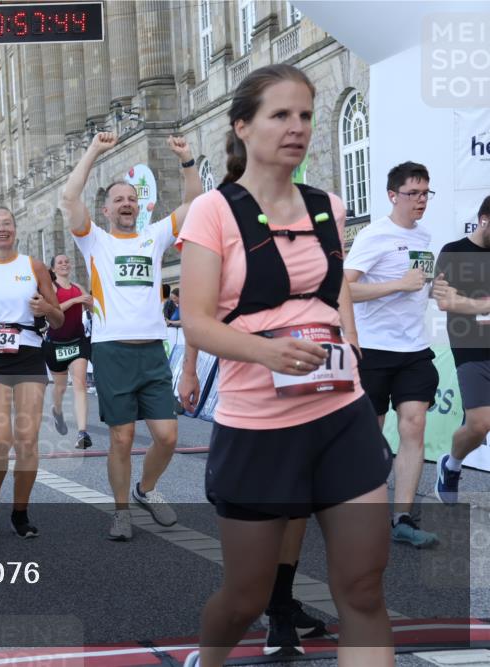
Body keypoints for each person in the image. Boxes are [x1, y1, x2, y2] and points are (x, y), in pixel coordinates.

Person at [176, 64, 393, 667]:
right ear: (243, 126)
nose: (296, 128)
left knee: (363, 587)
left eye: (304, 115)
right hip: (258, 427)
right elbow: (195, 321)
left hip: (339, 410)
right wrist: (269, 350)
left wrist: (348, 344)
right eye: (280, 115)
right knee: (245, 597)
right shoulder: (213, 213)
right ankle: (209, 659)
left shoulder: (329, 205)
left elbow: (331, 292)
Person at [59, 131, 201, 540]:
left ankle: (146, 490)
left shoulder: (153, 236)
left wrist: (188, 160)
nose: (126, 204)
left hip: (152, 352)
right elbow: (69, 198)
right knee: (120, 438)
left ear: (139, 206)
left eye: (131, 199)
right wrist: (92, 150)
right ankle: (121, 510)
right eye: (118, 200)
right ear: (105, 210)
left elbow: (193, 203)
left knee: (168, 436)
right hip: (112, 352)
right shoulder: (93, 240)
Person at [344, 161, 440, 548]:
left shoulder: (425, 236)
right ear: (392, 195)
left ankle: (402, 517)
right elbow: (344, 290)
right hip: (374, 349)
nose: (420, 200)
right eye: (412, 193)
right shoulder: (373, 236)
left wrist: (439, 293)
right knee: (370, 435)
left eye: (425, 193)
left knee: (413, 426)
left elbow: (418, 290)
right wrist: (397, 285)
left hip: (414, 349)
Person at [0, 207, 64, 538]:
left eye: (7, 224)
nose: (1, 229)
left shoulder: (33, 267)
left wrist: (47, 309)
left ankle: (20, 512)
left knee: (28, 441)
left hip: (30, 354)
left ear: (15, 230)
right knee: (1, 439)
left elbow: (58, 318)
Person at [433, 195, 490, 503]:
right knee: (480, 424)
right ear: (485, 218)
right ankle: (451, 466)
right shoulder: (453, 252)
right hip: (472, 346)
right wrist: (483, 306)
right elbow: (444, 300)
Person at [43, 254, 94, 450]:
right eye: (60, 262)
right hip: (55, 343)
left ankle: (82, 432)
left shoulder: (77, 288)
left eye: (67, 261)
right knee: (61, 387)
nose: (65, 264)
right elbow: (52, 310)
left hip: (77, 341)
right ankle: (57, 411)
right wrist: (75, 301)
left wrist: (91, 305)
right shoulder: (52, 288)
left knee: (80, 383)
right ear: (54, 269)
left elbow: (92, 306)